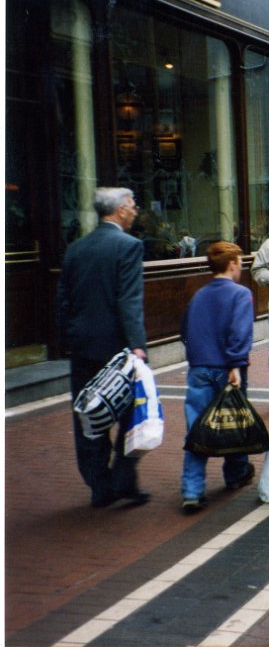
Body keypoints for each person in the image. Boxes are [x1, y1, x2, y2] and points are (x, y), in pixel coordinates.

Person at [57, 187, 151, 508]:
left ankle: (99, 486)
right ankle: (123, 479)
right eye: (133, 205)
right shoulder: (129, 246)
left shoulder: (76, 248)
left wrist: (68, 338)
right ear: (121, 209)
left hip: (82, 347)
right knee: (131, 413)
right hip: (117, 349)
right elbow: (129, 300)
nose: (136, 210)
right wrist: (137, 345)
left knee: (87, 417)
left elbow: (63, 300)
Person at [179, 242, 255, 513]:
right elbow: (240, 332)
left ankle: (192, 489)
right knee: (234, 419)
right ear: (232, 264)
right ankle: (236, 472)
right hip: (226, 367)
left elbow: (185, 330)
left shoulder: (199, 295)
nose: (241, 268)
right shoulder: (240, 294)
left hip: (199, 366)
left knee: (196, 427)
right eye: (240, 263)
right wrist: (235, 363)